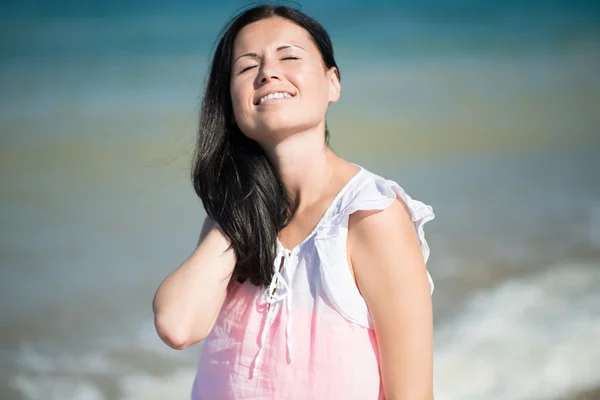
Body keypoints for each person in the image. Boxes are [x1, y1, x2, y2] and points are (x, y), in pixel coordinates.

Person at [153, 5, 435, 399]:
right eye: (246, 67)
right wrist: (243, 204)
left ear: (332, 82)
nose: (268, 73)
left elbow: (412, 394)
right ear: (231, 105)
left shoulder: (369, 216)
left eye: (289, 57)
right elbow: (177, 326)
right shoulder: (234, 217)